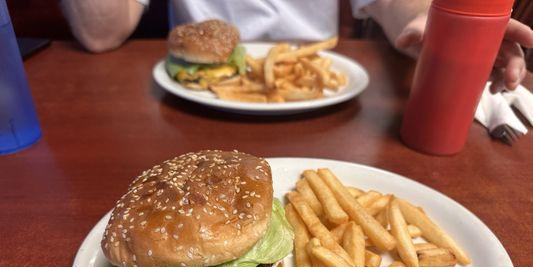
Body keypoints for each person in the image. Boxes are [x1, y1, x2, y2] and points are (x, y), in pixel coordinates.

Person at [61, 0, 533, 92]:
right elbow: (102, 32)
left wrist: (431, 27)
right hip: (183, 110)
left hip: (324, 89)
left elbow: (393, 3)